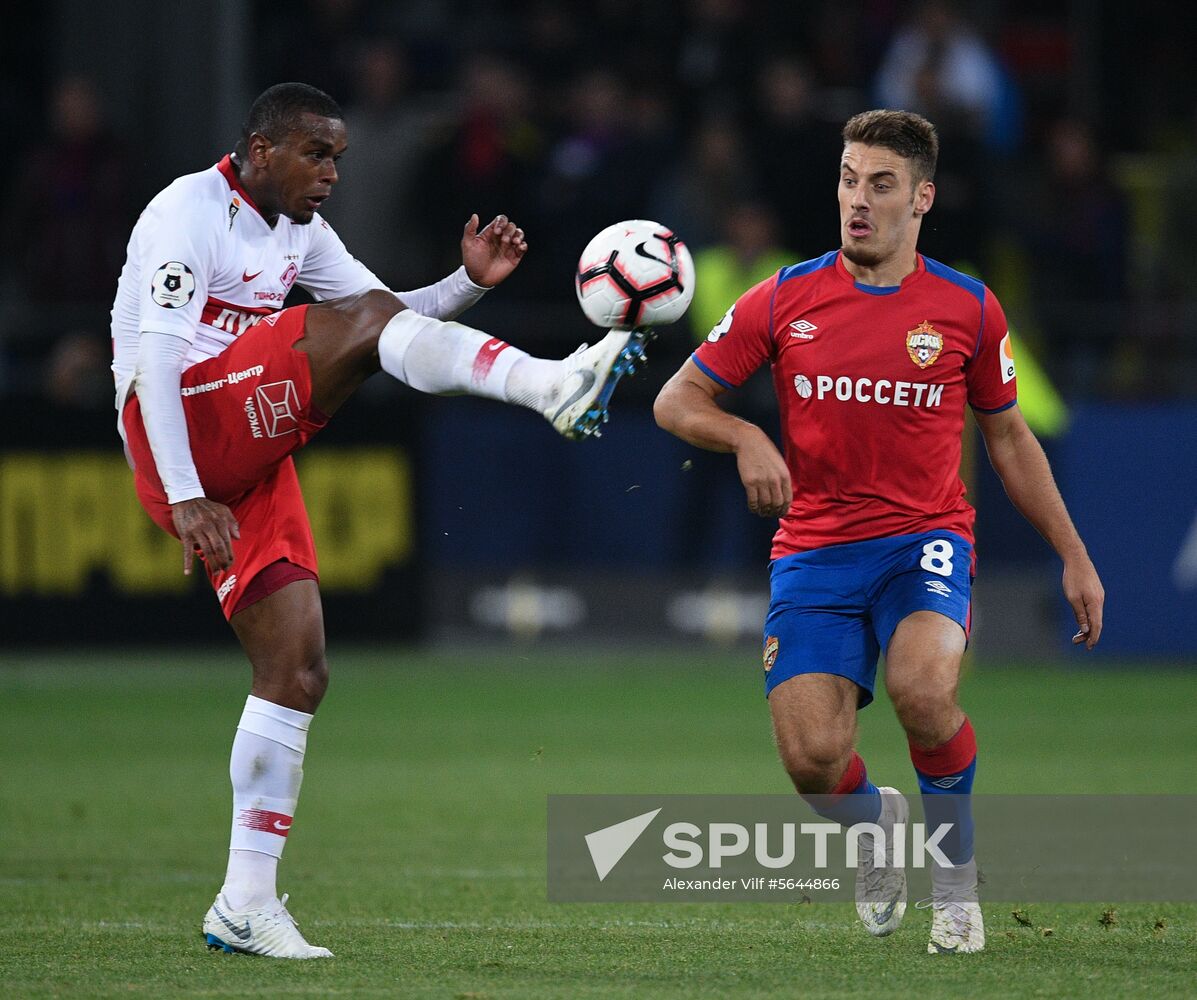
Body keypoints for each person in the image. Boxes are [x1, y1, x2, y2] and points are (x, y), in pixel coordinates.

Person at [110, 82, 647, 960]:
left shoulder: (300, 231)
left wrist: (464, 285)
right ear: (259, 149)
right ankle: (550, 385)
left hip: (241, 457)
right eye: (315, 154)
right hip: (181, 431)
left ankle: (244, 903)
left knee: (297, 669)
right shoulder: (187, 212)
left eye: (339, 158)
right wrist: (181, 493)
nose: (329, 174)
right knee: (350, 330)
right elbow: (161, 365)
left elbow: (389, 323)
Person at [653, 109, 1105, 955]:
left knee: (924, 692)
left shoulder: (966, 308)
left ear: (922, 198)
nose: (857, 201)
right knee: (812, 764)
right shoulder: (783, 296)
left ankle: (955, 887)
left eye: (881, 185)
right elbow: (675, 399)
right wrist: (747, 435)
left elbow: (1008, 437)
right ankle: (873, 822)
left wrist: (1073, 555)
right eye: (848, 180)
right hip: (814, 552)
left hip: (922, 541)